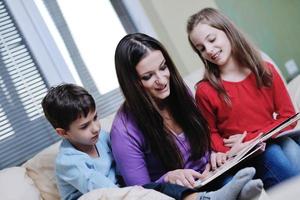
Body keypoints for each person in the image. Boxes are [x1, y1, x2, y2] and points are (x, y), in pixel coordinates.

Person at [41, 83, 262, 200]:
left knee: (158, 187)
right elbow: (102, 190)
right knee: (149, 191)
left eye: (95, 118)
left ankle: (229, 195)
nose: (96, 127)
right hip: (103, 197)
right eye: (84, 126)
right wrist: (141, 189)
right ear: (63, 133)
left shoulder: (102, 139)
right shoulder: (69, 162)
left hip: (125, 194)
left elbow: (127, 173)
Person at [111, 33, 263, 199]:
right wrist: (168, 178)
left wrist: (217, 154)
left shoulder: (180, 92)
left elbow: (205, 136)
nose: (161, 80)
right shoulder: (123, 131)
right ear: (131, 83)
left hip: (213, 174)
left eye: (163, 67)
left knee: (270, 158)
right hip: (180, 194)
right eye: (148, 76)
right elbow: (138, 193)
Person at [186, 7, 300, 188]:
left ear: (228, 31)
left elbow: (289, 117)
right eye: (201, 49)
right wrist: (227, 151)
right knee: (274, 154)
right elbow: (211, 133)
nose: (209, 50)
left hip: (270, 141)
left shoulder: (266, 71)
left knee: (292, 149)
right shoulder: (205, 90)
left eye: (212, 39)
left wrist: (253, 138)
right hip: (243, 156)